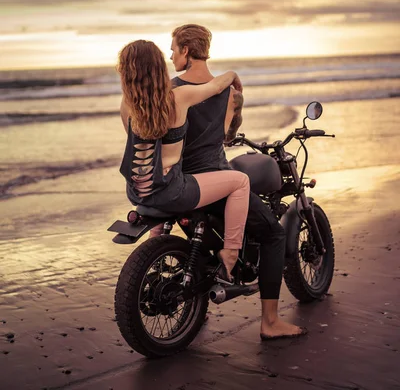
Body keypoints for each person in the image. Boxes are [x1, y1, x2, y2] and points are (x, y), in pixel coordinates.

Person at [170, 24, 307, 341]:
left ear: (186, 51)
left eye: (174, 48)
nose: (171, 54)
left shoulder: (170, 89)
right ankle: (270, 322)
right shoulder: (228, 93)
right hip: (216, 180)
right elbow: (230, 133)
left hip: (180, 182)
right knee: (273, 233)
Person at [117, 39, 250, 280]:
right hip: (172, 191)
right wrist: (232, 75)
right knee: (240, 181)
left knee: (159, 195)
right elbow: (215, 87)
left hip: (137, 193)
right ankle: (230, 253)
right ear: (158, 67)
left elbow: (142, 148)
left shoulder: (126, 106)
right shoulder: (179, 97)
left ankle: (150, 268)